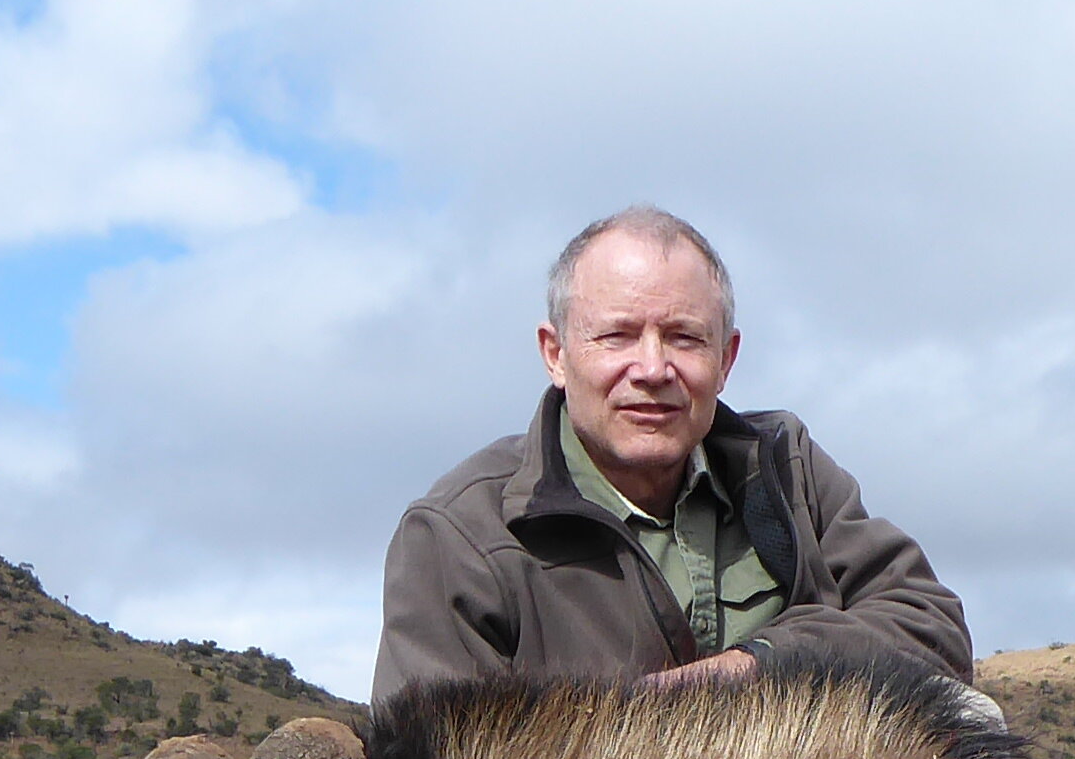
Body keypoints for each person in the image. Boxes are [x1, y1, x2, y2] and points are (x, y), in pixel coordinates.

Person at [373, 207, 985, 713]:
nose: (652, 369)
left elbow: (930, 626)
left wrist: (751, 668)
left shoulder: (783, 469)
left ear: (727, 358)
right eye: (616, 335)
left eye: (685, 338)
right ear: (555, 354)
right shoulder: (459, 536)